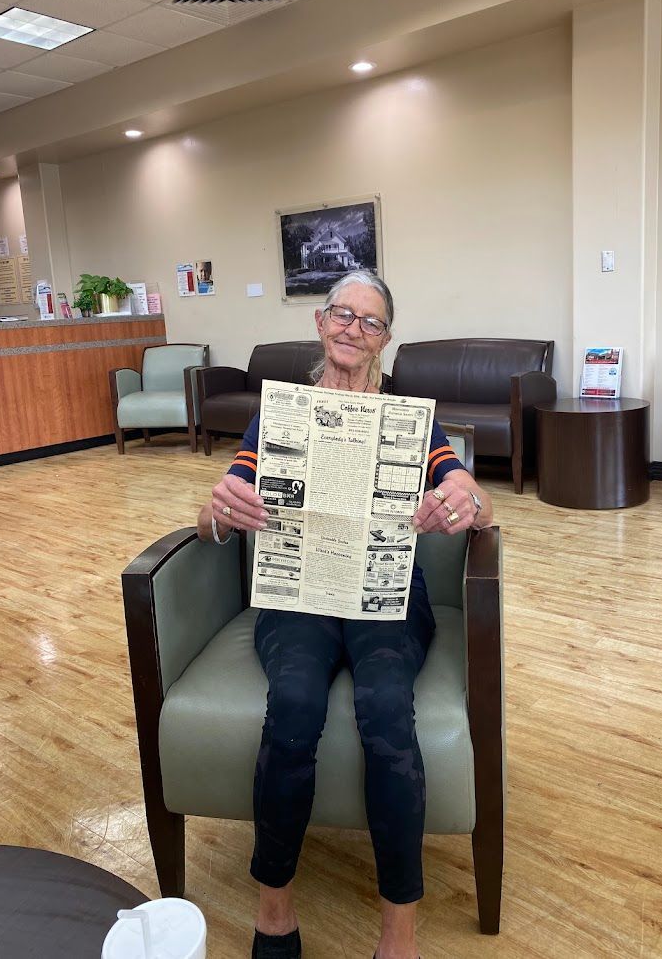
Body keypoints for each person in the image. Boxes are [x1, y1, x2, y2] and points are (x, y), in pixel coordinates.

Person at [197, 272, 493, 959]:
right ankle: (274, 913)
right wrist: (217, 513)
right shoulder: (281, 415)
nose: (352, 328)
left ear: (385, 339)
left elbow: (471, 496)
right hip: (297, 592)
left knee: (386, 707)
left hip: (384, 596)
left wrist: (467, 496)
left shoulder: (408, 419)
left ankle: (399, 936)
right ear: (319, 321)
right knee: (294, 702)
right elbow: (218, 510)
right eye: (342, 313)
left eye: (370, 320)